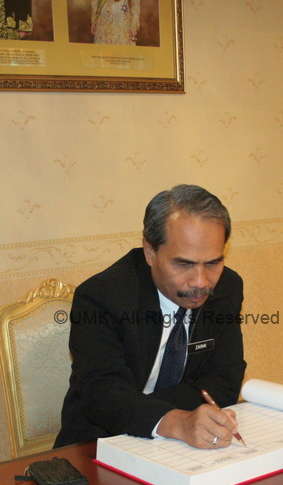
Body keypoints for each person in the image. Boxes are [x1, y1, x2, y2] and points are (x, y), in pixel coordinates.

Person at [55, 185, 246, 450]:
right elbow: (103, 394)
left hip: (183, 447)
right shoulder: (102, 297)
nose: (201, 282)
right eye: (184, 264)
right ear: (149, 252)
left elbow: (225, 380)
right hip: (100, 443)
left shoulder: (226, 288)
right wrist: (176, 422)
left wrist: (153, 412)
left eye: (213, 263)